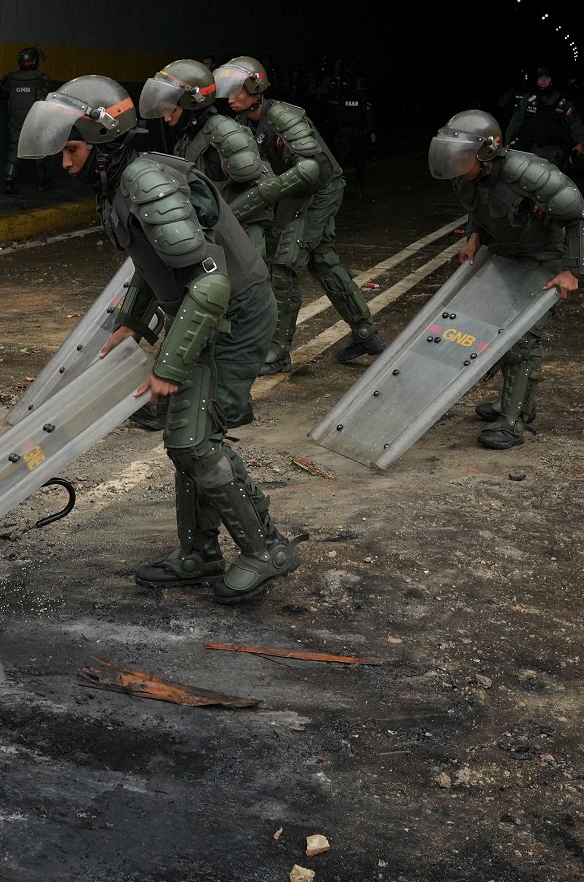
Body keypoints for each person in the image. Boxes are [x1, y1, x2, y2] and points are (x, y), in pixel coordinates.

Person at [19, 74, 301, 601]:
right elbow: (153, 264)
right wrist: (133, 319)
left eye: (72, 149)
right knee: (185, 438)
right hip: (206, 309)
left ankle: (267, 548)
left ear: (101, 140)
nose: (65, 162)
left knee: (196, 438)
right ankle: (200, 552)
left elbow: (211, 280)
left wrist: (168, 367)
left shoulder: (146, 183)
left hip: (233, 314)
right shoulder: (121, 180)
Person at [136, 59, 293, 427]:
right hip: (216, 231)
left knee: (232, 313)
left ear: (189, 103)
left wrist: (221, 218)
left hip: (238, 232)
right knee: (209, 312)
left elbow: (258, 182)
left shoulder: (224, 131)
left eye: (170, 104)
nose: (164, 113)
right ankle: (194, 391)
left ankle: (227, 401)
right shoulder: (192, 133)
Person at [428, 110, 584, 450]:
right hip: (508, 252)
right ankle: (514, 404)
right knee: (495, 329)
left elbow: (580, 214)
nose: (456, 163)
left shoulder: (525, 173)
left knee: (522, 336)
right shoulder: (466, 177)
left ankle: (513, 422)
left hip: (546, 255)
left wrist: (572, 271)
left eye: (462, 156)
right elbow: (481, 208)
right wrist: (473, 237)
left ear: (486, 153)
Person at [213, 56, 384, 371]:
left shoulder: (283, 117)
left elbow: (312, 169)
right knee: (323, 262)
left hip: (320, 190)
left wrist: (268, 195)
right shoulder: (245, 122)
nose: (231, 98)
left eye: (237, 91)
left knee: (285, 266)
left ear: (256, 88)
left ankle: (278, 350)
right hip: (295, 193)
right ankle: (366, 332)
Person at [0, 46, 57, 193]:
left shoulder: (10, 78)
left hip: (16, 119)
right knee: (38, 149)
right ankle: (42, 182)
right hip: (34, 118)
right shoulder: (40, 78)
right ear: (35, 61)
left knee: (15, 148)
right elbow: (43, 100)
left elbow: (3, 94)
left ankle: (9, 182)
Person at [504, 66, 584, 164]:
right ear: (536, 80)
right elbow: (516, 120)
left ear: (552, 80)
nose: (543, 80)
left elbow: (574, 121)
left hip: (553, 149)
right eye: (540, 78)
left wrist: (580, 142)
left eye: (547, 77)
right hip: (528, 148)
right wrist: (508, 141)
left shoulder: (562, 101)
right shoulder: (528, 99)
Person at [328, 74, 378, 189]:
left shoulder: (345, 97)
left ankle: (335, 182)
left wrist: (341, 128)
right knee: (359, 157)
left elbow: (339, 115)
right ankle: (358, 181)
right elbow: (368, 115)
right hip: (358, 131)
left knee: (341, 157)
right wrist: (371, 131)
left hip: (345, 130)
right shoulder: (364, 98)